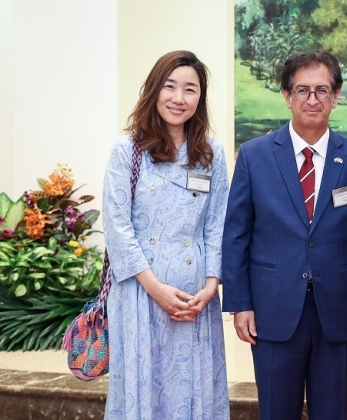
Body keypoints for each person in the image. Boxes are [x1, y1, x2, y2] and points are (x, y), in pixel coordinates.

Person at [221, 51, 347, 420]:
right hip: (272, 311)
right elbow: (236, 233)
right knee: (276, 411)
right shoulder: (255, 156)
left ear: (336, 97)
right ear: (287, 96)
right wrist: (240, 303)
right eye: (302, 90)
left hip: (336, 313)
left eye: (322, 90)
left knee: (332, 411)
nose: (312, 99)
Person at [102, 50, 230, 419]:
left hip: (194, 298)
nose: (179, 98)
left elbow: (217, 222)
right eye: (170, 87)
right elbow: (117, 225)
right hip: (140, 292)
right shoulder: (128, 150)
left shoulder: (211, 154)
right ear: (154, 90)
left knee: (194, 388)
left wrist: (211, 284)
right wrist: (154, 288)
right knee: (145, 388)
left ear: (200, 99)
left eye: (190, 90)